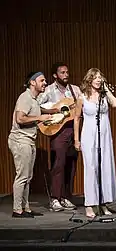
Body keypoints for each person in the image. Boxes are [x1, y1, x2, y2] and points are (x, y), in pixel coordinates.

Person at [74, 68, 116, 218]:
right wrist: (76, 139)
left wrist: (106, 89)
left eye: (100, 77)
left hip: (104, 136)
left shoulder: (104, 96)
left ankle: (103, 203)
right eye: (96, 77)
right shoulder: (82, 97)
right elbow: (76, 119)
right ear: (90, 80)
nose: (99, 80)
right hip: (89, 136)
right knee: (91, 169)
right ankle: (89, 205)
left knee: (104, 168)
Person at [37, 62, 82, 212]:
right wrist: (54, 110)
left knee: (71, 164)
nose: (66, 75)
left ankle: (66, 196)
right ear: (55, 75)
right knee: (58, 164)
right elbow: (36, 106)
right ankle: (55, 198)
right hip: (57, 130)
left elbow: (81, 106)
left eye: (67, 72)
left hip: (73, 129)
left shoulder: (75, 90)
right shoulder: (49, 90)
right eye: (62, 73)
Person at [8, 72, 51, 218]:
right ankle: (17, 209)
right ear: (33, 82)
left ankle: (25, 208)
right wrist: (40, 118)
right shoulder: (25, 97)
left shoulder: (34, 99)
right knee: (22, 176)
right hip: (20, 140)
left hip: (28, 140)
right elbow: (20, 118)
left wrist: (55, 111)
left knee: (28, 176)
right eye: (42, 80)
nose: (45, 83)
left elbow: (40, 111)